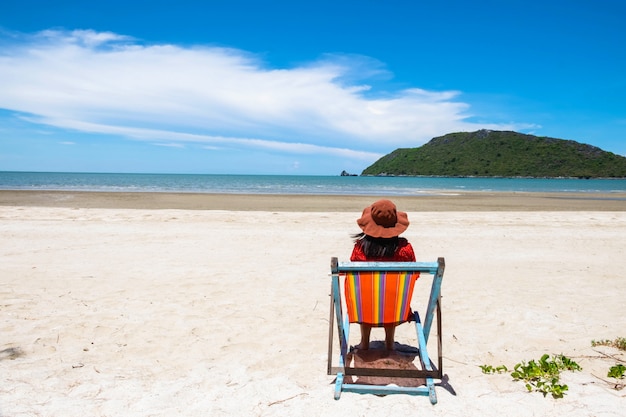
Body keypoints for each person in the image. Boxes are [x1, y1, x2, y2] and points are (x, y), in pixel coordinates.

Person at [350, 199, 416, 350]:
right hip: (397, 308)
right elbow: (414, 275)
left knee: (366, 295)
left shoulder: (360, 249)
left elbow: (353, 277)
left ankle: (364, 342)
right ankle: (390, 343)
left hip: (363, 309)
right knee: (391, 295)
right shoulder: (404, 249)